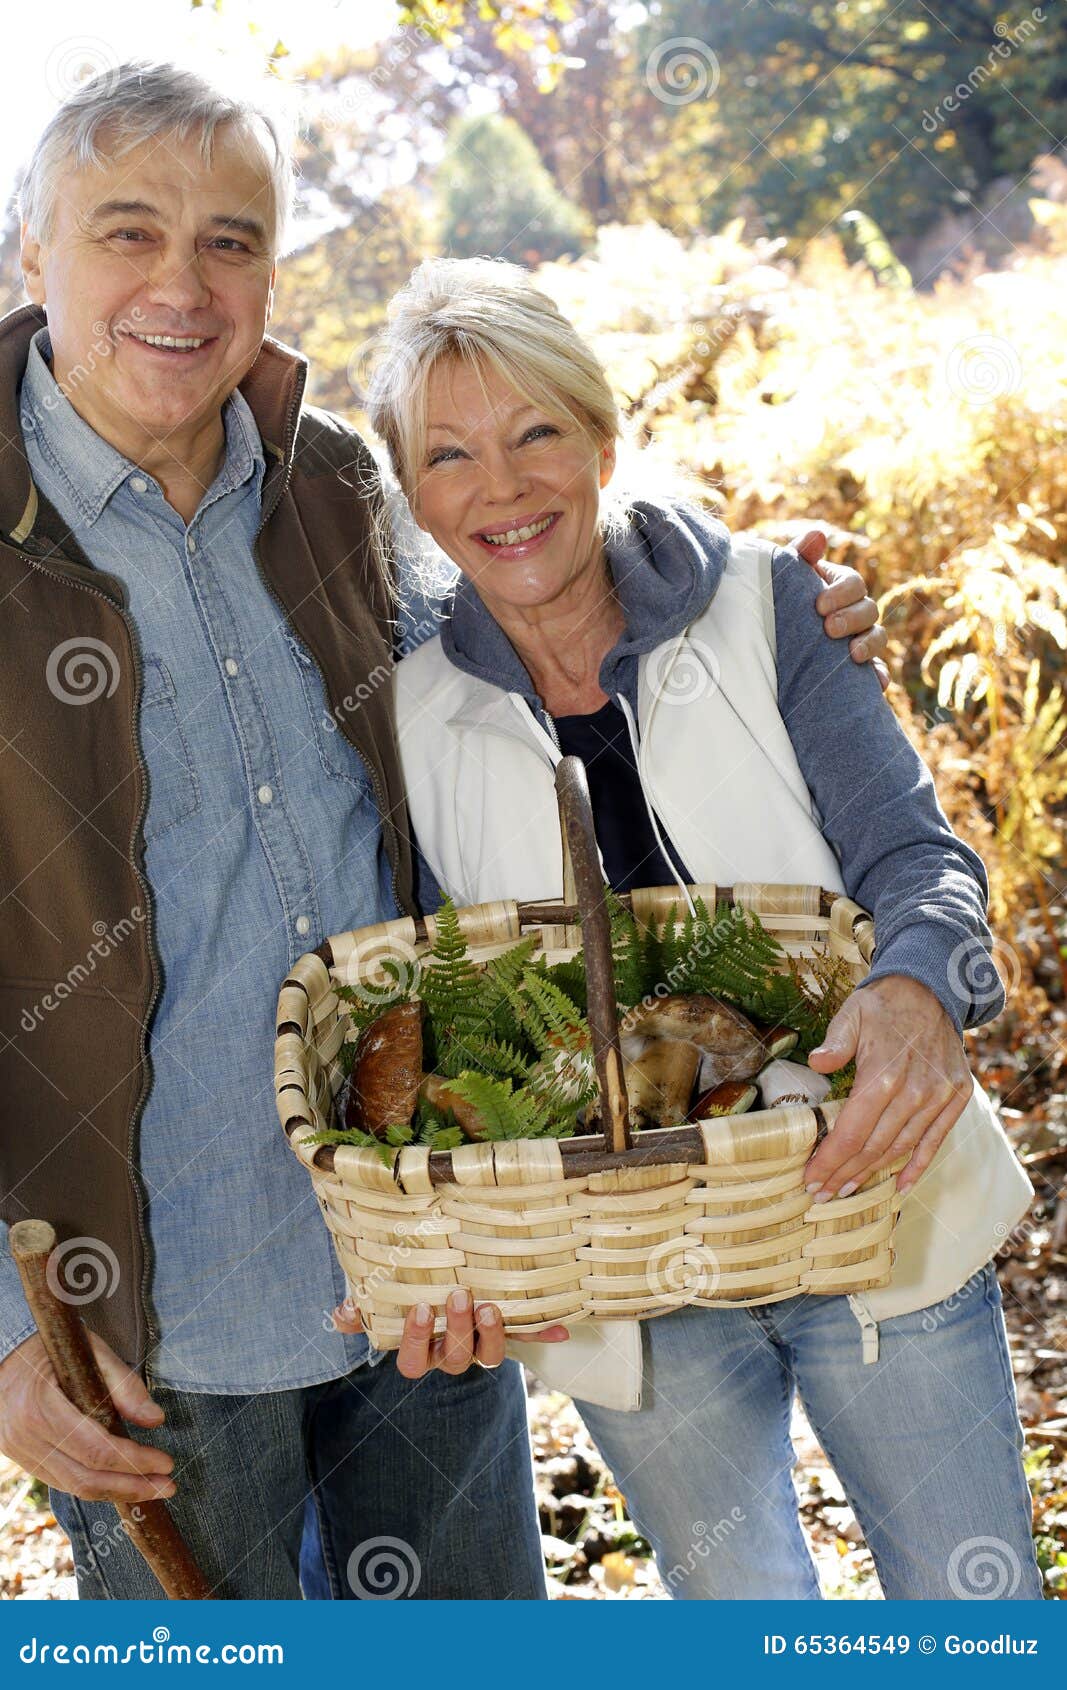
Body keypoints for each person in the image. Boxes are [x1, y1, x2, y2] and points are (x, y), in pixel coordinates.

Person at [0, 62, 882, 1601]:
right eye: (126, 232)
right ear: (32, 251)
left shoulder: (335, 482)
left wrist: (755, 582)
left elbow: (525, 577)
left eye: (232, 239)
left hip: (437, 1260)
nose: (182, 284)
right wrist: (10, 1339)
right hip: (153, 1331)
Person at [337, 255, 1043, 1601]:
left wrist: (919, 993)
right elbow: (439, 1021)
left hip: (869, 1191)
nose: (503, 486)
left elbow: (918, 856)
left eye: (538, 429)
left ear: (604, 439)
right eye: (449, 455)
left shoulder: (770, 602)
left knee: (976, 1610)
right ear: (412, 498)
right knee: (744, 1622)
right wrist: (444, 1252)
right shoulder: (407, 719)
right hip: (627, 1284)